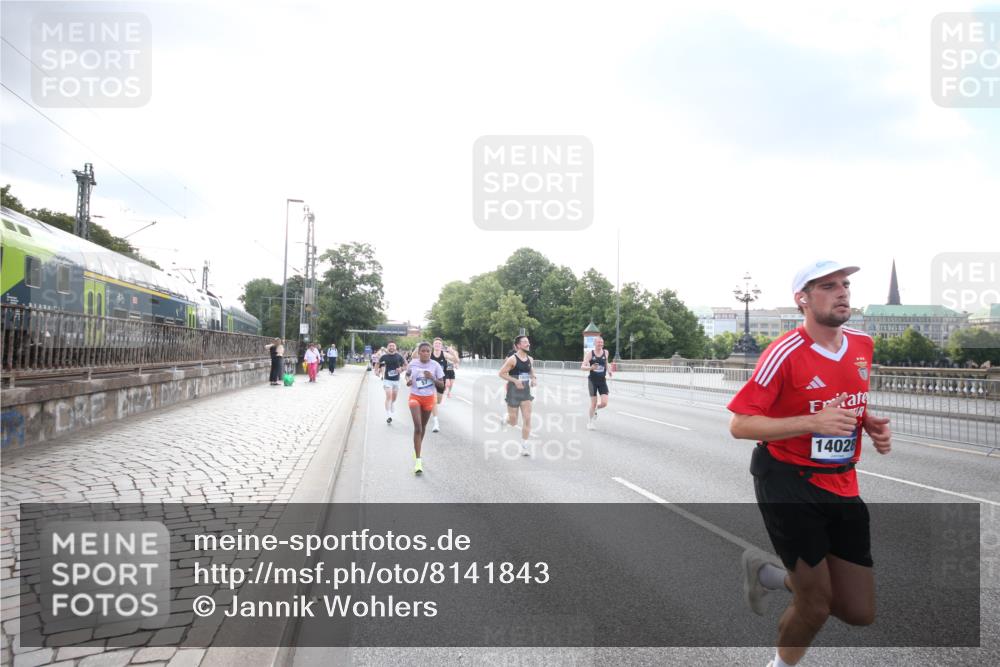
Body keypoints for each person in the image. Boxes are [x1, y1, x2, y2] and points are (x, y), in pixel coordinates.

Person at [727, 260, 893, 667]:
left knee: (859, 611)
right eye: (828, 286)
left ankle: (769, 575)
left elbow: (846, 397)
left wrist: (864, 421)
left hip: (843, 482)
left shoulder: (861, 345)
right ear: (802, 299)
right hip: (787, 479)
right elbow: (740, 424)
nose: (842, 292)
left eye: (845, 285)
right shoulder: (784, 352)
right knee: (815, 605)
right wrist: (814, 422)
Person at [405, 342, 445, 474]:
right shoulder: (413, 363)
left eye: (428, 351)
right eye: (423, 351)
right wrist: (408, 380)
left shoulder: (435, 365)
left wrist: (432, 377)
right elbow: (408, 374)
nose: (426, 353)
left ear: (431, 352)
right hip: (415, 397)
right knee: (418, 427)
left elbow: (442, 385)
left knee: (423, 428)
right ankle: (418, 461)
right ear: (419, 352)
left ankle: (418, 449)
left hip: (428, 399)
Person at [498, 335, 537, 456]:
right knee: (514, 422)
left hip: (525, 392)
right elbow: (501, 373)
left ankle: (524, 446)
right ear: (518, 345)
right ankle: (506, 418)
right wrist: (515, 381)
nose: (528, 344)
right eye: (525, 342)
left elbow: (531, 371)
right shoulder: (512, 359)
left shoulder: (530, 359)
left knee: (527, 419)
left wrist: (534, 378)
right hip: (513, 392)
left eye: (528, 342)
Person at [581, 336, 612, 430]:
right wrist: (591, 368)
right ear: (594, 343)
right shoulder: (590, 354)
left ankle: (595, 410)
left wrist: (609, 370)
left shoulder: (606, 352)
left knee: (604, 403)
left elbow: (606, 363)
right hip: (592, 381)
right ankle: (590, 423)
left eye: (601, 343)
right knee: (593, 403)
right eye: (598, 343)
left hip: (602, 381)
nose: (600, 344)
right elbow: (582, 367)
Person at [376, 341, 407, 423]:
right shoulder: (384, 356)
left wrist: (402, 369)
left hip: (396, 380)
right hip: (387, 380)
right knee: (388, 396)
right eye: (390, 346)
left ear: (395, 348)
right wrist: (376, 370)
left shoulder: (399, 356)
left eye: (393, 346)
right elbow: (378, 363)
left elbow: (406, 365)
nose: (391, 347)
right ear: (387, 347)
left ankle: (392, 403)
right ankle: (388, 415)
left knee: (394, 398)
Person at [428, 338, 452, 433]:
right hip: (430, 380)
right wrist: (417, 349)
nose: (437, 345)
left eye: (439, 343)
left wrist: (452, 352)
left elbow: (455, 360)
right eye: (436, 343)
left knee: (438, 401)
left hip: (441, 380)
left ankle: (431, 407)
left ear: (441, 346)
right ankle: (436, 423)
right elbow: (415, 356)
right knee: (433, 401)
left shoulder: (445, 355)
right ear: (433, 345)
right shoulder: (429, 354)